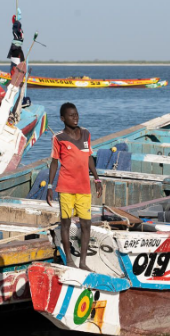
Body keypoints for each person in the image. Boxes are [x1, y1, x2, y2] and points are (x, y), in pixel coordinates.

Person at [46, 103, 103, 271]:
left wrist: (97, 179)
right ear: (63, 119)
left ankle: (83, 262)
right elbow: (54, 163)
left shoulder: (86, 134)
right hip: (66, 187)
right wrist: (49, 186)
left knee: (86, 225)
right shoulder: (58, 138)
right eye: (71, 115)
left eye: (76, 114)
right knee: (65, 223)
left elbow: (89, 158)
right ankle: (69, 260)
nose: (75, 117)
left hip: (84, 187)